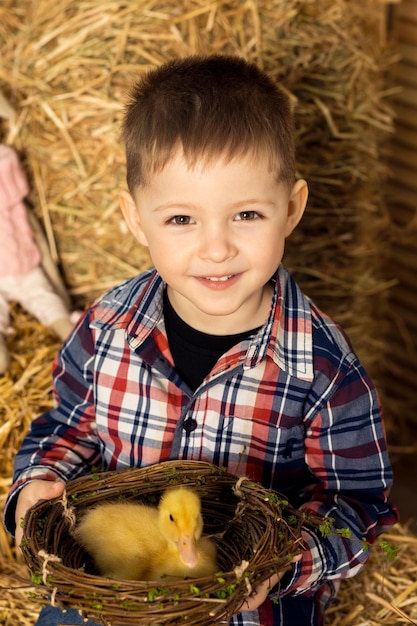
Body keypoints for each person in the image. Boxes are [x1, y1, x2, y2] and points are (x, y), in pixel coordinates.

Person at [4, 55, 398, 626]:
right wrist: (39, 483)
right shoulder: (106, 325)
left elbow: (358, 506)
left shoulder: (323, 369)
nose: (216, 249)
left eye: (245, 214)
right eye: (181, 220)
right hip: (119, 593)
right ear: (136, 220)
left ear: (290, 209)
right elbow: (71, 424)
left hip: (249, 605)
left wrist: (285, 562)